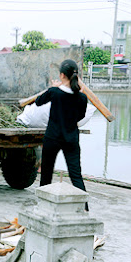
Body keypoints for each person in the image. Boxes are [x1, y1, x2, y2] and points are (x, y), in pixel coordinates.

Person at [36, 59, 89, 209]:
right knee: (76, 176)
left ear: (61, 75)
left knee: (46, 173)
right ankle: (84, 209)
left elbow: (39, 102)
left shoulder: (55, 92)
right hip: (71, 139)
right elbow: (80, 116)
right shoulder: (82, 97)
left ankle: (42, 206)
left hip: (52, 138)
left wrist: (53, 87)